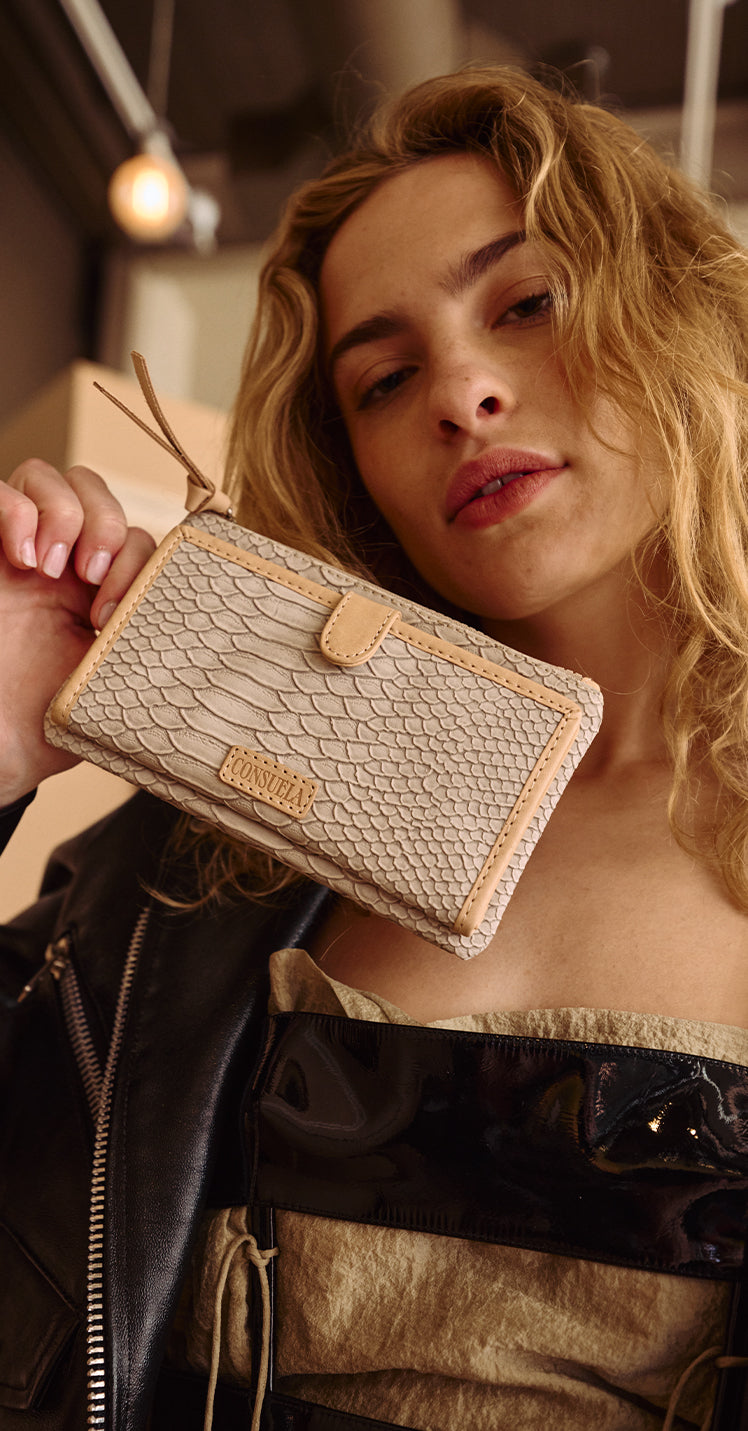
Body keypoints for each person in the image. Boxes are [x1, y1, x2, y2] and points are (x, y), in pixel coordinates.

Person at [0, 65, 747, 1431]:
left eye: (528, 303)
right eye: (385, 379)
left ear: (673, 312)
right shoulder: (226, 841)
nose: (460, 393)